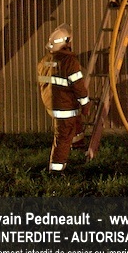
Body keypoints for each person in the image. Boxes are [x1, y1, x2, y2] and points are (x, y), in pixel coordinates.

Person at [37, 24, 91, 173]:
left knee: (75, 123)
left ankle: (78, 146)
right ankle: (55, 169)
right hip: (65, 107)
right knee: (63, 137)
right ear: (65, 43)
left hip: (52, 105)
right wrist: (85, 104)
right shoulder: (69, 62)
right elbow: (78, 86)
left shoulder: (44, 61)